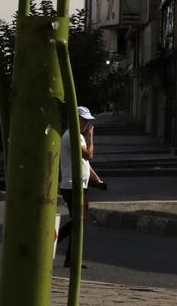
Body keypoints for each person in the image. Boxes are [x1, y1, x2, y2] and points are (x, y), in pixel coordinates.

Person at [58, 106, 107, 268]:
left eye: (88, 121)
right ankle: (50, 240)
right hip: (72, 186)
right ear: (76, 119)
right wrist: (92, 138)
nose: (87, 124)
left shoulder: (77, 136)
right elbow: (89, 155)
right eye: (85, 120)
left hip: (80, 185)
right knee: (78, 221)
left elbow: (85, 162)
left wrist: (97, 179)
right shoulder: (73, 135)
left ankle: (70, 259)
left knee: (79, 222)